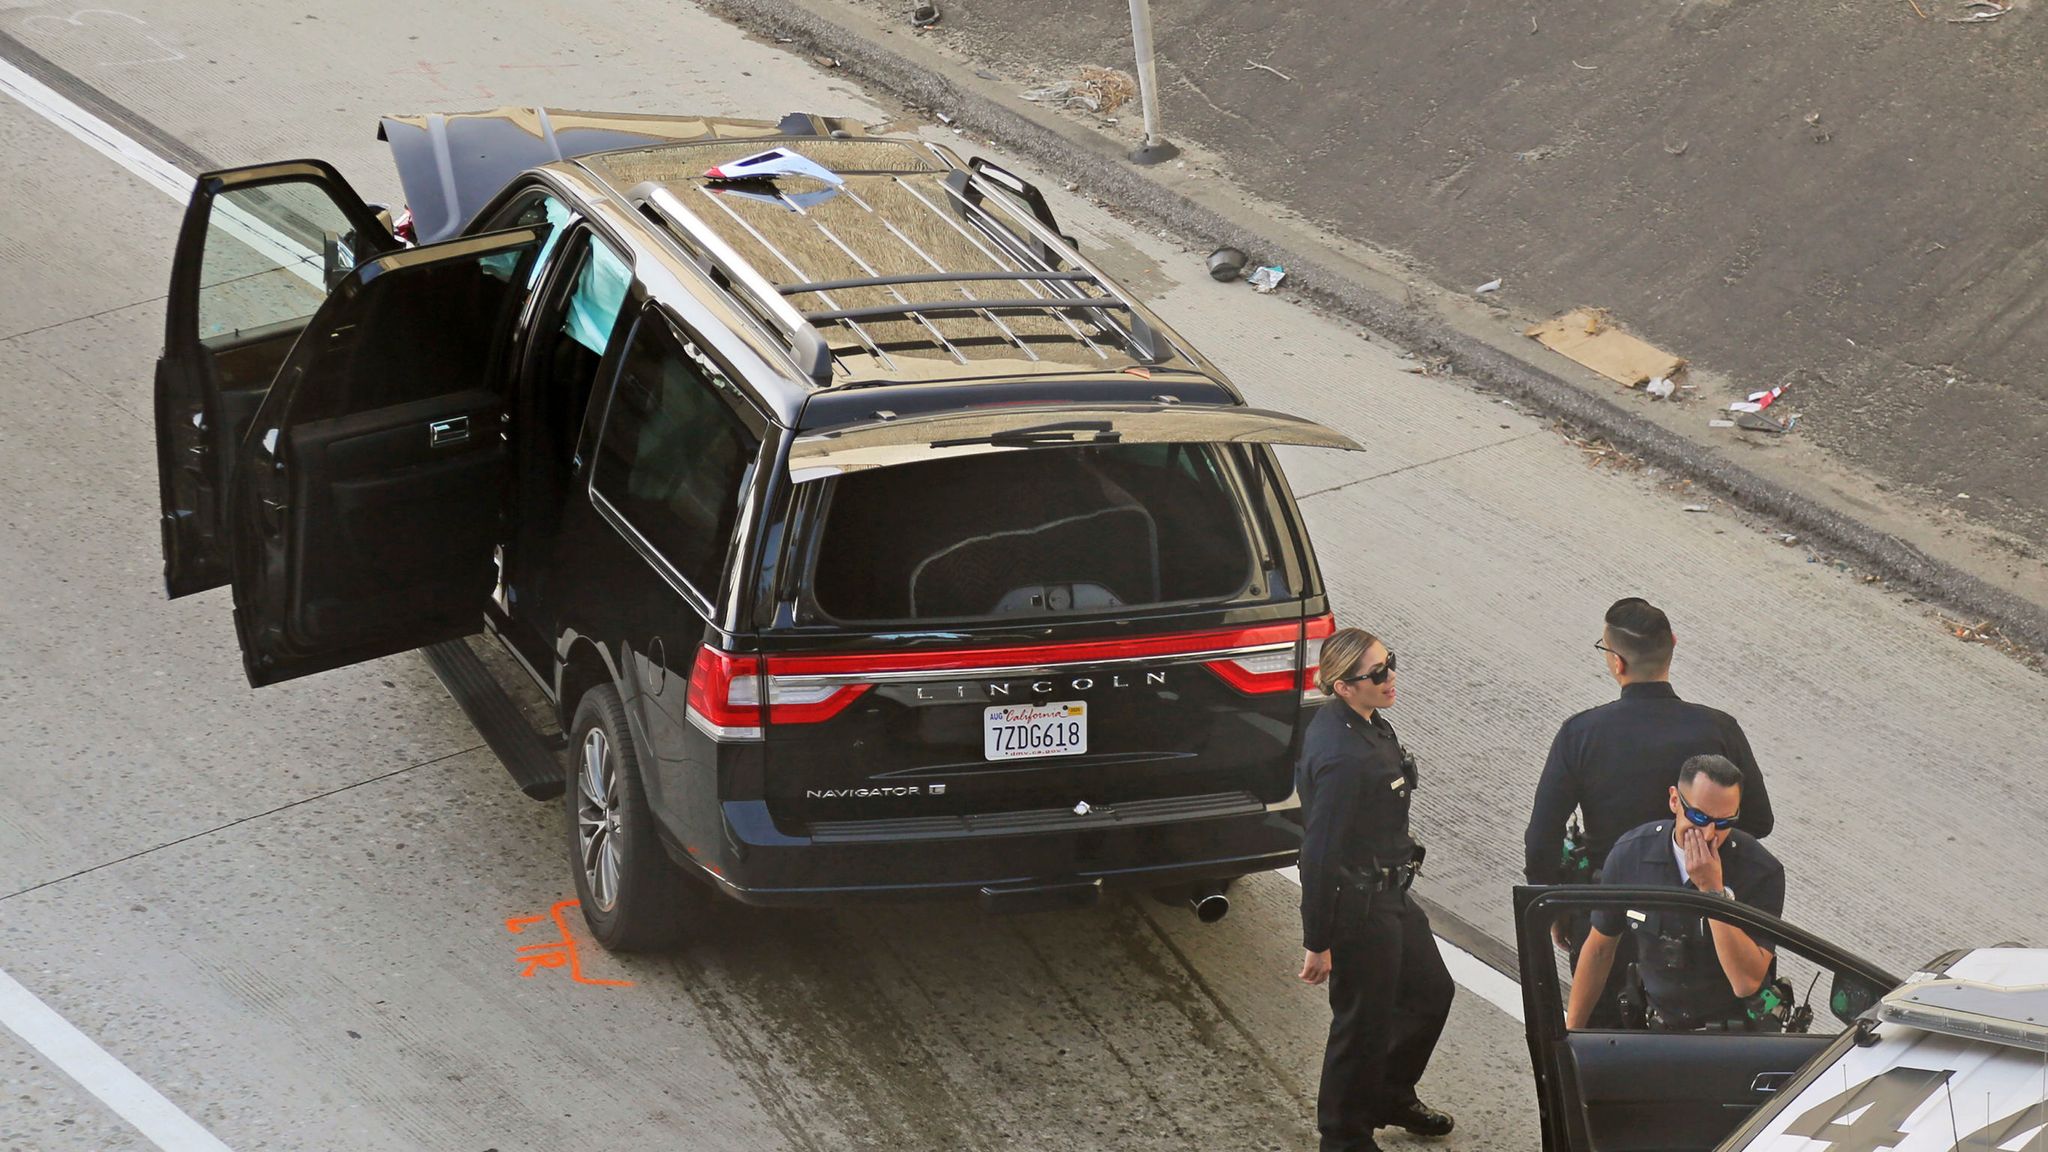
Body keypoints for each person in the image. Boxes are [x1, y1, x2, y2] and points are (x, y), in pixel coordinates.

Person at [1297, 627, 1455, 1152]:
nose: (1391, 678)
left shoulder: (1367, 723)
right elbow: (1317, 854)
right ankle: (1343, 1137)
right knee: (1362, 1025)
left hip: (1390, 893)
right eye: (1378, 674)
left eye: (1391, 663)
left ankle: (1388, 1092)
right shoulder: (1343, 757)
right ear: (1344, 686)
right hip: (1358, 908)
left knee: (1431, 992)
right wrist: (1317, 940)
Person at [1525, 597, 1776, 895]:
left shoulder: (1580, 734)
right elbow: (1759, 821)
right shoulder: (1721, 730)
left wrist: (1556, 907)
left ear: (1618, 662)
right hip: (1698, 903)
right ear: (1673, 643)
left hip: (1607, 905)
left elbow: (1541, 840)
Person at [1565, 755, 1787, 1032]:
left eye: (1722, 823)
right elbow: (1599, 950)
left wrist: (1713, 892)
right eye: (1698, 817)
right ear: (1674, 801)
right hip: (1659, 1030)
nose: (1708, 834)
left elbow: (1746, 982)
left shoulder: (1760, 872)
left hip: (1735, 1041)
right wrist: (1569, 1034)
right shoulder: (1632, 854)